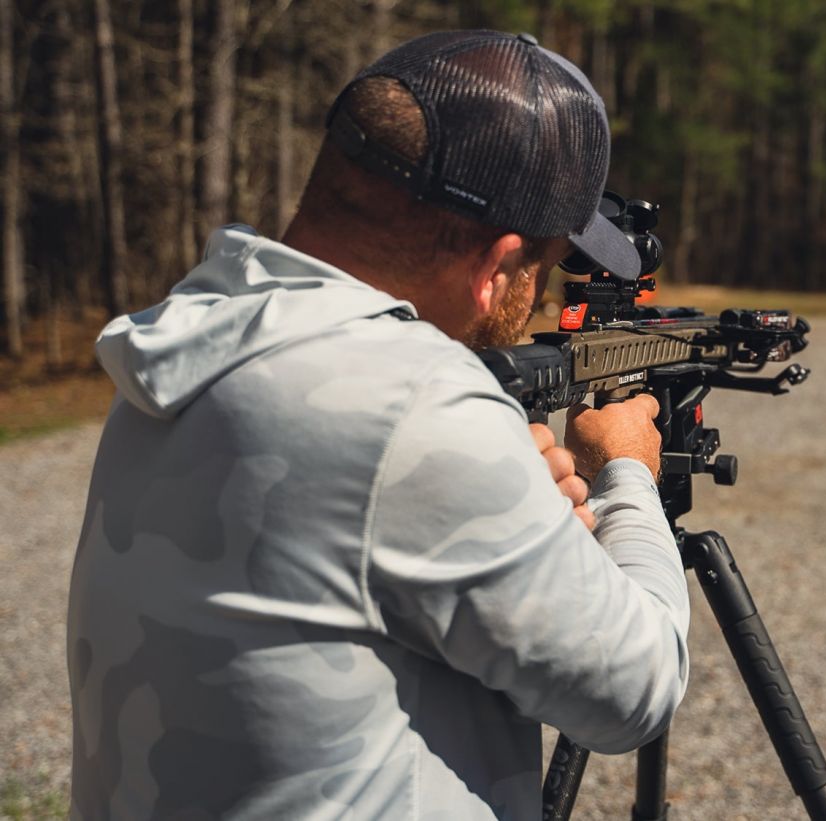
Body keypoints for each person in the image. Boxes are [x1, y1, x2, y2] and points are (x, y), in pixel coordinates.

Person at [67, 31, 689, 819]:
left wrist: (500, 495)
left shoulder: (194, 334)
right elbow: (640, 688)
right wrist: (627, 473)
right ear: (497, 266)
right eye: (548, 263)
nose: (534, 297)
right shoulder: (414, 404)